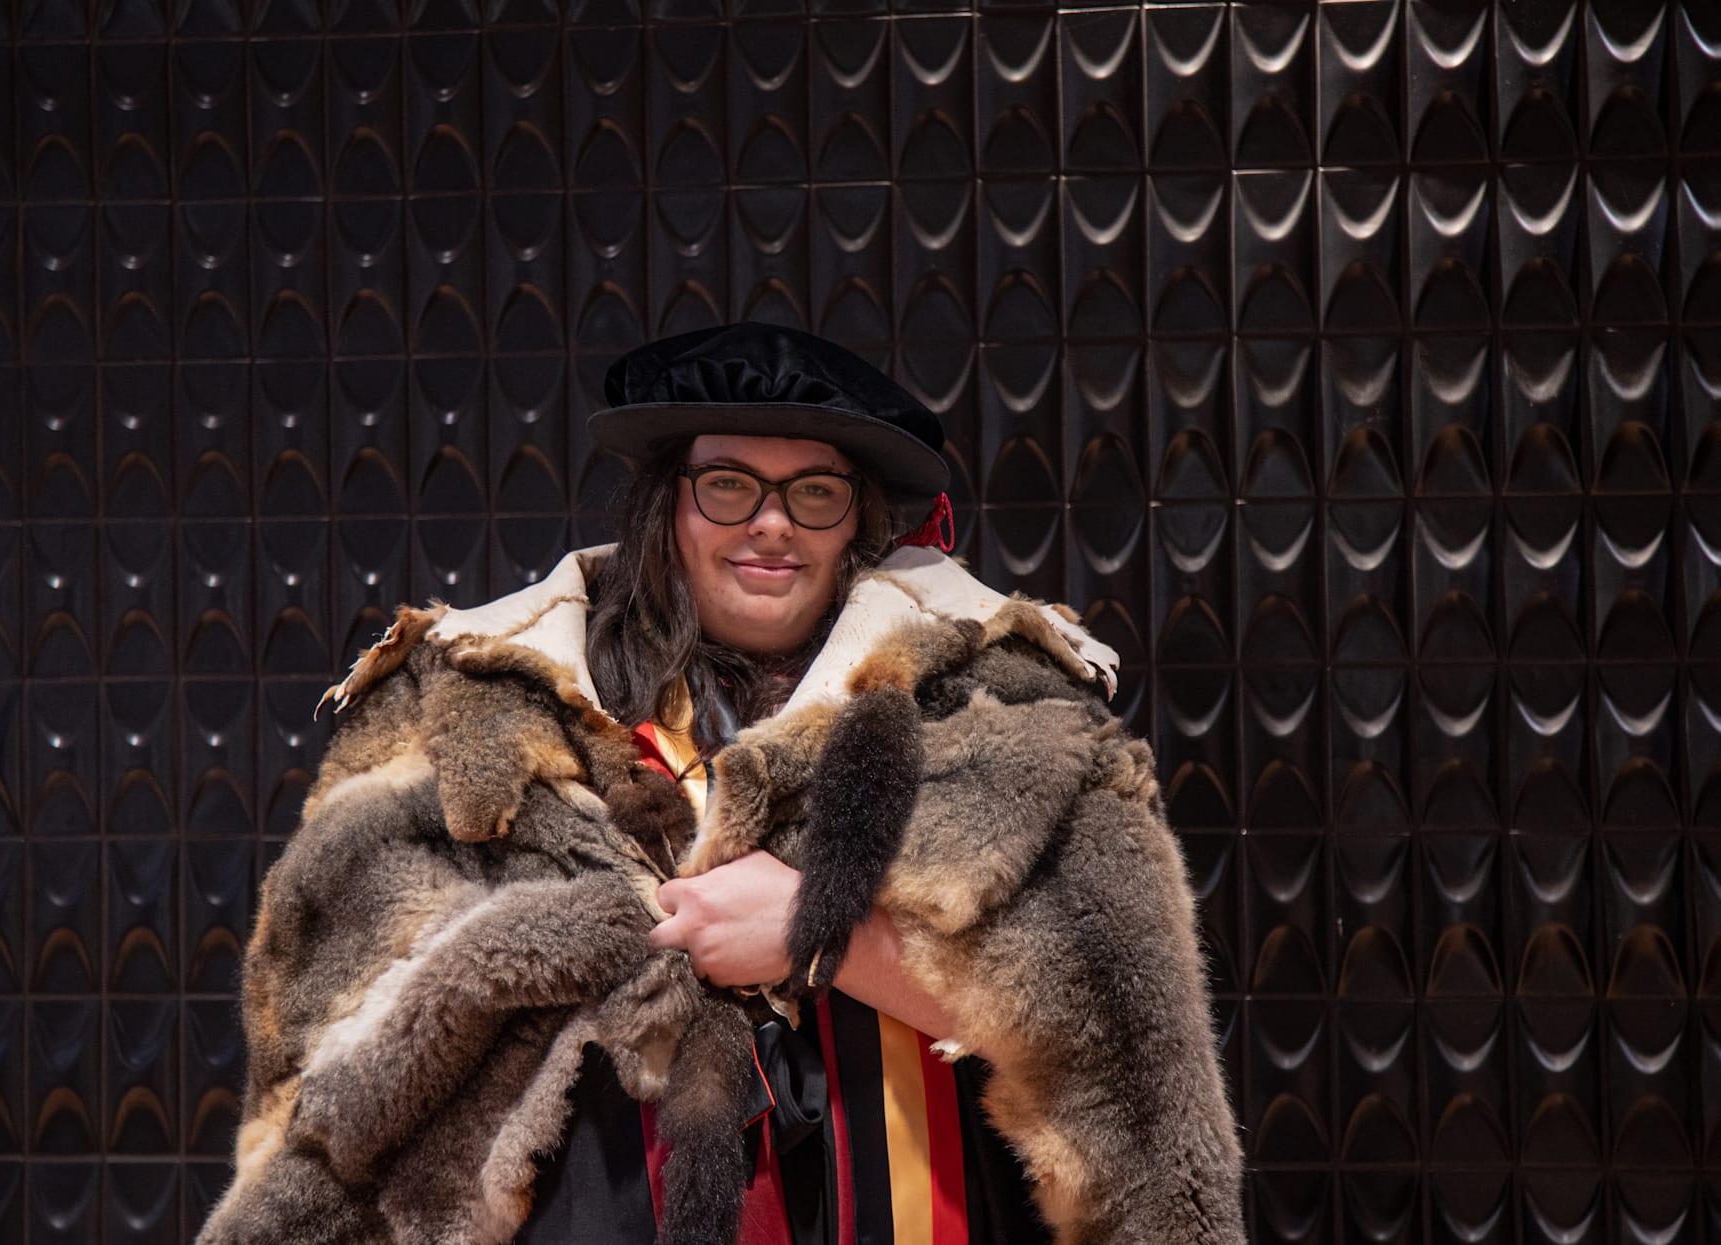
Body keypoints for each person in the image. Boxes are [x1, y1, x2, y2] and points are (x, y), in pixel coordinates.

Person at [196, 323, 1244, 1245]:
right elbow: (341, 1047)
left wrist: (819, 938)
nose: (772, 523)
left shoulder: (1001, 711)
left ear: (858, 524)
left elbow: (1120, 1041)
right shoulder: (478, 702)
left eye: (815, 493)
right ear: (669, 507)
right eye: (730, 484)